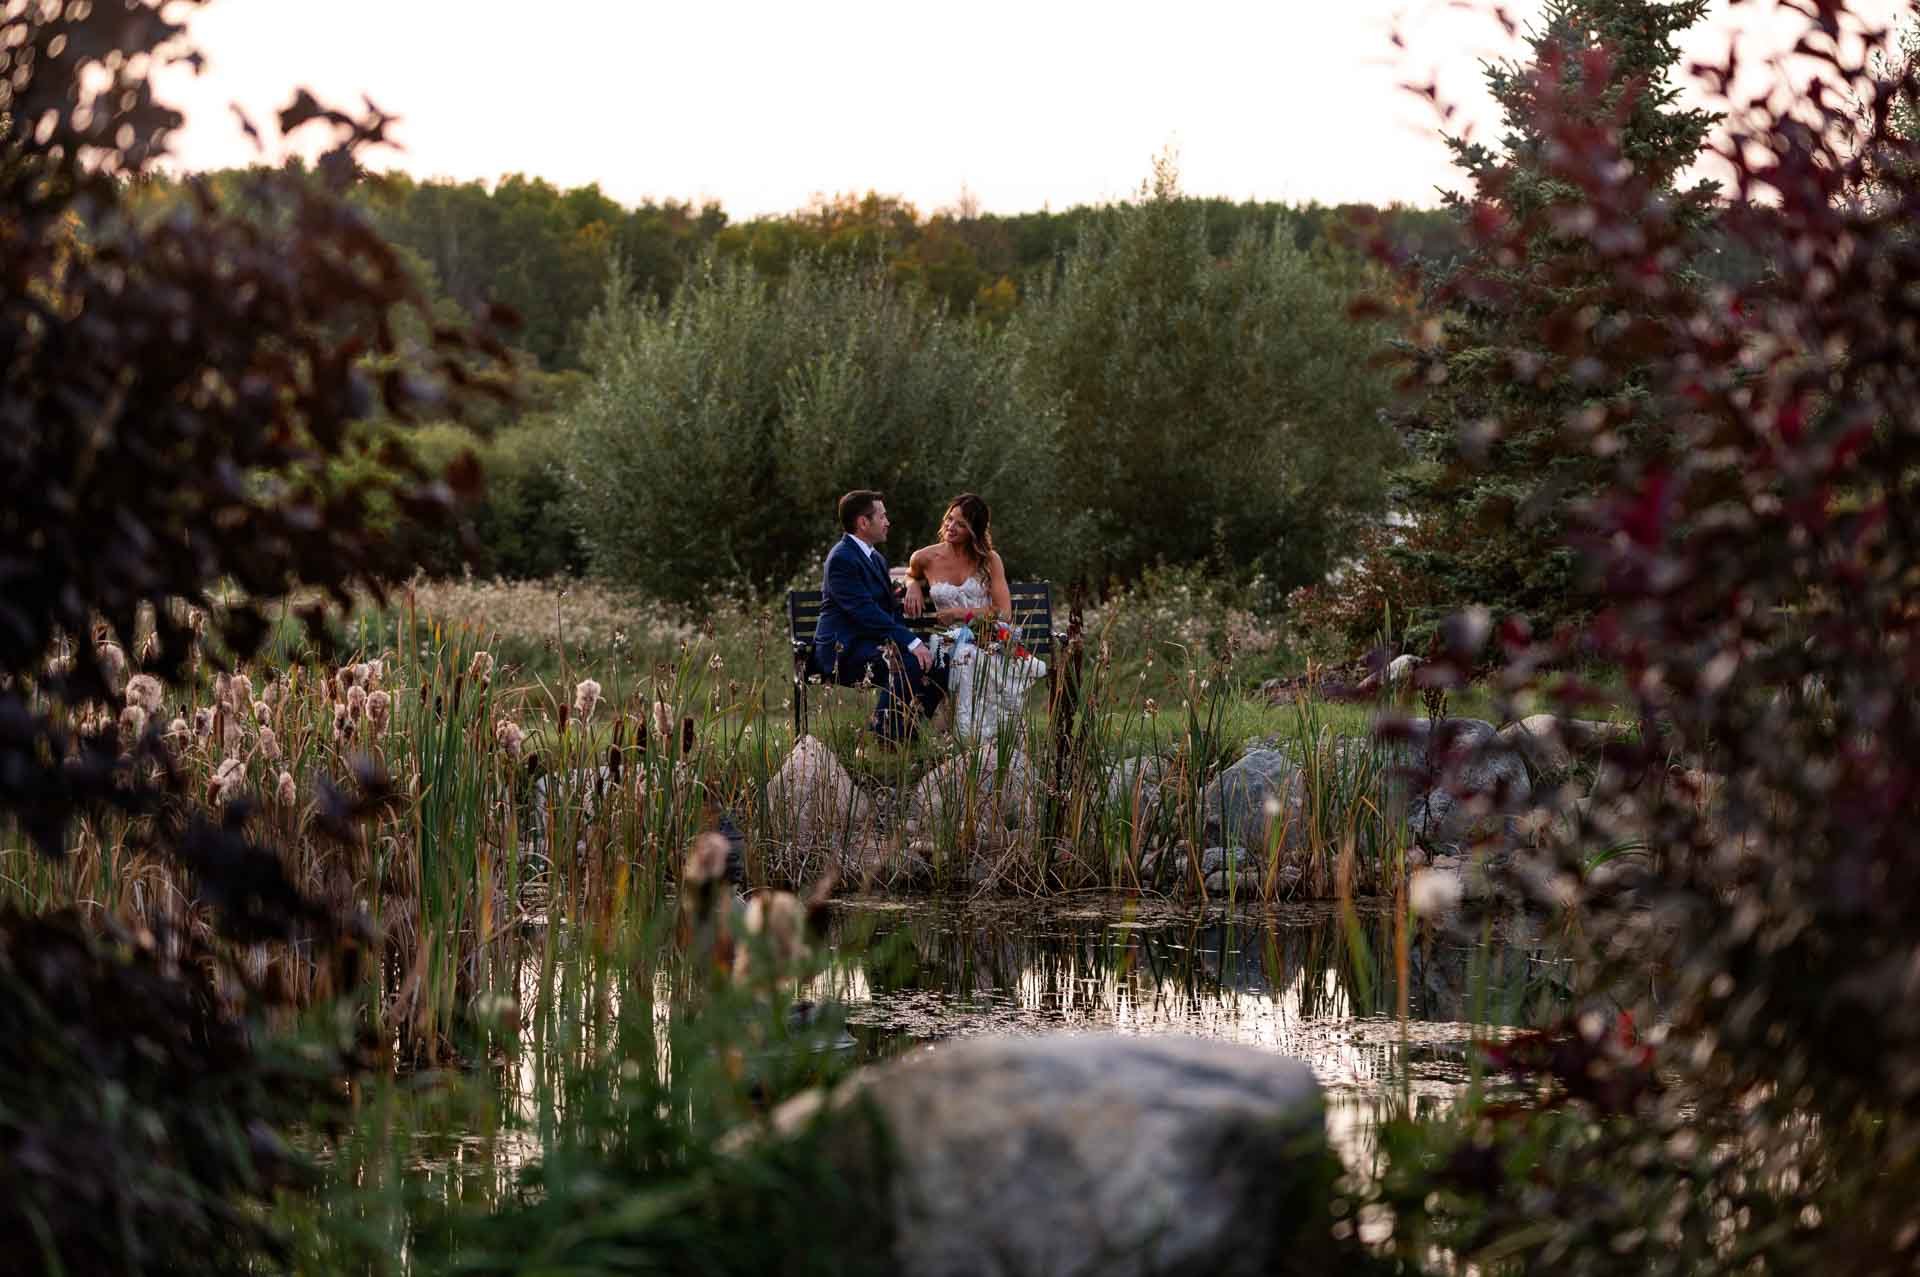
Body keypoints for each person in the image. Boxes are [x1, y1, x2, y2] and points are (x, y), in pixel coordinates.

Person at [903, 493, 1044, 741]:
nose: (950, 527)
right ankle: (968, 736)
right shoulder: (924, 557)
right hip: (947, 641)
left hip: (986, 635)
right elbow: (910, 573)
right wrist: (912, 584)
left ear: (974, 531)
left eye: (960, 524)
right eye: (949, 519)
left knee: (974, 656)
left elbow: (1004, 612)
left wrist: (960, 613)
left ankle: (987, 737)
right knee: (965, 656)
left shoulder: (989, 560)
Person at [814, 490, 943, 743]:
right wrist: (911, 643)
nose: (887, 522)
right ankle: (883, 735)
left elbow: (890, 610)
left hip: (873, 643)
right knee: (908, 662)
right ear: (863, 522)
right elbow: (865, 611)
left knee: (939, 661)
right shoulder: (841, 558)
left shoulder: (876, 558)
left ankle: (907, 731)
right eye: (882, 516)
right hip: (844, 650)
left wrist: (913, 640)